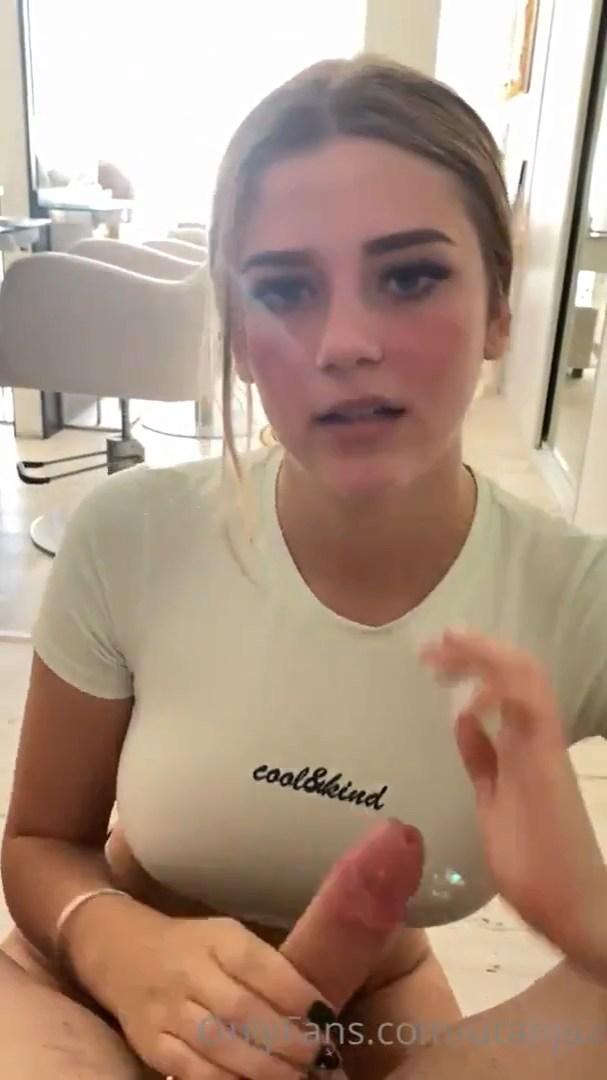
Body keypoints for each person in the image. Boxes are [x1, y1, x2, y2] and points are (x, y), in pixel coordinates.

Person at [1, 53, 607, 1078]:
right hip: (101, 984)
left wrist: (590, 920)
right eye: (283, 289)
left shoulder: (577, 598)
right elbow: (36, 845)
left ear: (501, 308)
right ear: (238, 337)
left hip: (368, 1001)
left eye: (409, 277)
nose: (344, 343)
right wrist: (113, 944)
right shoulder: (129, 537)